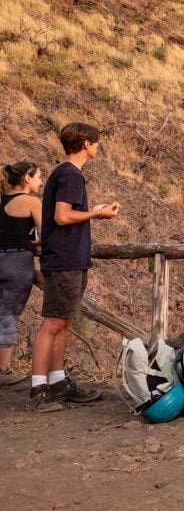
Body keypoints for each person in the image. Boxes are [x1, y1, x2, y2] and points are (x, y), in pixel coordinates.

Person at [29, 123, 118, 412]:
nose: (98, 146)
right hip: (64, 257)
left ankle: (57, 382)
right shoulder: (70, 175)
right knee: (53, 322)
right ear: (84, 144)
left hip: (68, 257)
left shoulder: (65, 174)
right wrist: (98, 213)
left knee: (62, 321)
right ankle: (39, 388)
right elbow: (63, 216)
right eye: (95, 141)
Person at [0, 162, 43, 386]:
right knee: (7, 318)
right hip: (17, 263)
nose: (40, 182)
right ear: (27, 178)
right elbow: (48, 234)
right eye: (37, 178)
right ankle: (2, 371)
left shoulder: (2, 200)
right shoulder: (31, 202)